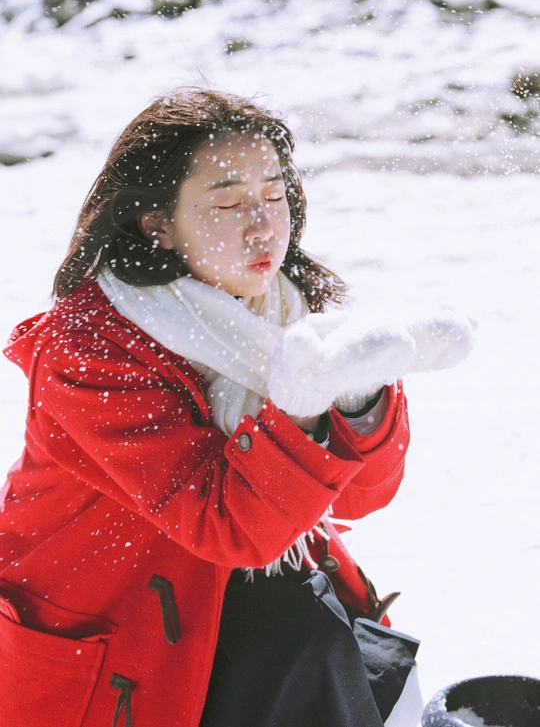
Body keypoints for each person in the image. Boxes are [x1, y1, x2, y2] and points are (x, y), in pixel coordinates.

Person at [0, 88, 474, 727]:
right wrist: (301, 410)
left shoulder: (288, 311)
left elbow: (360, 497)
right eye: (227, 203)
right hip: (120, 645)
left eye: (275, 197)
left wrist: (357, 397)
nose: (263, 226)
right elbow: (225, 525)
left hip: (265, 629)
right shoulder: (87, 348)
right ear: (156, 223)